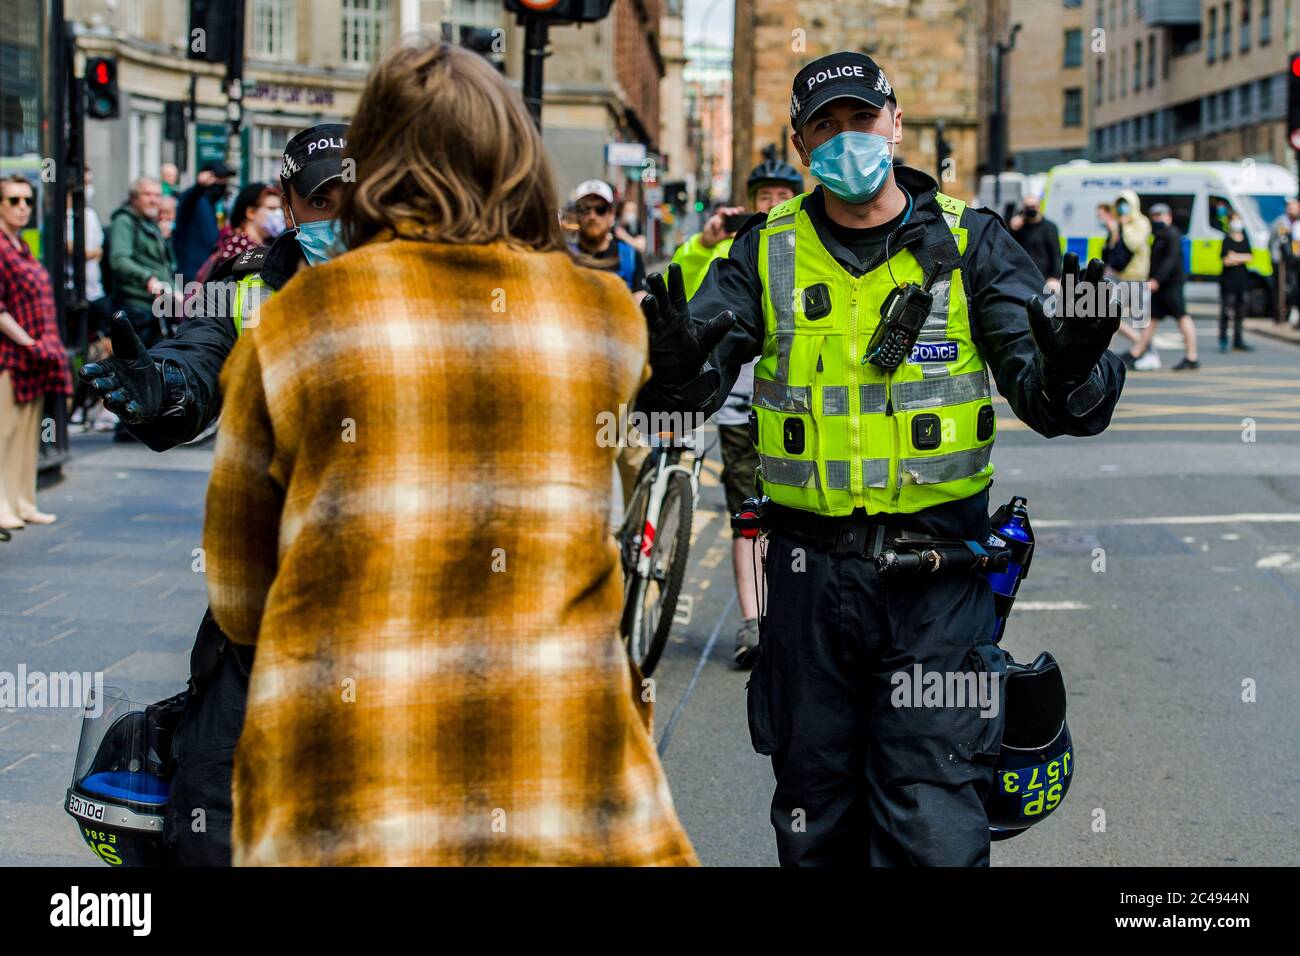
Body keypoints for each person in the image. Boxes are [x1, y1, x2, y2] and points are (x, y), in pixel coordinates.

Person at [198, 41, 696, 867]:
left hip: (344, 791)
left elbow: (238, 590)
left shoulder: (297, 320)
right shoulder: (604, 319)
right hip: (558, 774)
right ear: (517, 157)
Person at [637, 51, 1124, 867]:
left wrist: (1075, 364)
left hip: (938, 585)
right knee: (814, 817)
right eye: (823, 127)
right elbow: (681, 401)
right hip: (807, 585)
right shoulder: (765, 252)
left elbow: (1052, 403)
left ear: (895, 125)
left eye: (861, 120)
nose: (846, 140)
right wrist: (673, 370)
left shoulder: (975, 244)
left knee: (932, 826)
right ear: (800, 148)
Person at [77, 123, 349, 866]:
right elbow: (194, 371)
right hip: (259, 612)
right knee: (210, 820)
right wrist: (154, 389)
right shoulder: (246, 288)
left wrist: (674, 381)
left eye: (355, 197)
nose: (340, 214)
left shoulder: (423, 289)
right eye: (322, 198)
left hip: (393, 611)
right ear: (288, 203)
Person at [671, 156, 804, 666]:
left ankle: (791, 618)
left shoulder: (809, 241)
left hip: (801, 410)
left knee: (797, 520)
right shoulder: (731, 245)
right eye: (763, 195)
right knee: (748, 517)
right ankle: (753, 623)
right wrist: (703, 245)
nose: (772, 203)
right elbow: (681, 293)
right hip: (740, 407)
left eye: (780, 194)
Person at [0, 175, 72, 530]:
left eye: (27, 200)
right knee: (5, 430)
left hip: (34, 354)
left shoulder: (23, 247)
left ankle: (22, 500)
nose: (23, 207)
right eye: (14, 200)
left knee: (28, 432)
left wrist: (37, 345)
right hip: (9, 355)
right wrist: (26, 341)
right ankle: (2, 504)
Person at [108, 177, 179, 346]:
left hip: (156, 308)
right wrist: (148, 278)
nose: (154, 200)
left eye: (157, 195)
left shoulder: (150, 223)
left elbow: (163, 265)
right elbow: (119, 259)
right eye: (147, 194)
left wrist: (176, 291)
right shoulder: (124, 221)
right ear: (134, 198)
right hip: (136, 309)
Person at [1137, 203, 1199, 370]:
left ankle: (1192, 356)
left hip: (1171, 285)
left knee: (1182, 317)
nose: (1157, 219)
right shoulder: (1159, 235)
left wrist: (1157, 279)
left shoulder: (1172, 235)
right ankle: (1136, 351)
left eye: (1160, 215)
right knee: (1152, 319)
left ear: (1169, 217)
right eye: (1154, 216)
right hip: (1161, 286)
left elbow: (1170, 261)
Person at [569, 180, 646, 300]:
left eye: (600, 209)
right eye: (585, 209)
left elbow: (640, 301)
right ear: (577, 215)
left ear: (612, 214)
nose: (592, 216)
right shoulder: (566, 257)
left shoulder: (630, 256)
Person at [1105, 190, 1157, 369]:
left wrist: (1125, 226)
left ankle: (1149, 352)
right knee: (1109, 316)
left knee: (1140, 319)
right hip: (1118, 276)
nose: (1122, 209)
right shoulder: (1118, 223)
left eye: (1125, 204)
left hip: (1136, 277)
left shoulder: (1141, 222)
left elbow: (1133, 243)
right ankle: (1106, 355)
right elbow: (1111, 248)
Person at [194, 183, 283, 283]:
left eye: (280, 209)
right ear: (251, 212)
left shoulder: (255, 245)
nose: (279, 214)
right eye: (271, 208)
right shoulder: (238, 247)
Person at [173, 161, 233, 282]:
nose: (223, 183)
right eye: (219, 178)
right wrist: (199, 186)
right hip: (189, 275)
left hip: (205, 274)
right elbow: (189, 199)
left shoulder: (214, 204)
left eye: (225, 179)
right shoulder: (196, 201)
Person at [1008, 193, 1061, 291]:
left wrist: (1054, 277)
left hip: (1045, 279)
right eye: (1027, 207)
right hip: (1022, 278)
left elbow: (1056, 254)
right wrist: (1012, 229)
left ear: (1039, 206)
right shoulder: (1019, 227)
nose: (1030, 209)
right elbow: (1009, 250)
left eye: (1033, 206)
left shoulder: (1050, 227)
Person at [1219, 213, 1255, 353]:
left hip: (1242, 280)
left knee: (1241, 311)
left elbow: (1250, 256)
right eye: (1234, 220)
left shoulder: (1245, 238)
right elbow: (1225, 260)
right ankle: (1223, 339)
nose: (1237, 223)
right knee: (1226, 311)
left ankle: (1238, 340)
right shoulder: (1226, 239)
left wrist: (1235, 256)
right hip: (1228, 281)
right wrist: (1240, 258)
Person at [1268, 197, 1300, 326]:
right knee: (1279, 288)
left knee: (1293, 287)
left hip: (1295, 260)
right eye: (1289, 208)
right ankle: (1279, 314)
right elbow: (1272, 241)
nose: (1291, 210)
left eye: (1294, 208)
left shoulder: (1297, 223)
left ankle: (1291, 312)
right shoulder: (1281, 222)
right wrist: (1275, 256)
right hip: (1280, 260)